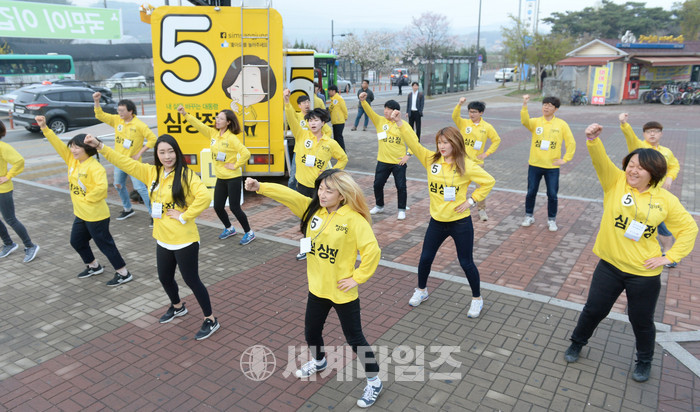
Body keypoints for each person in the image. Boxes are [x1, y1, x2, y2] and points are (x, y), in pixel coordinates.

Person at [564, 123, 697, 383]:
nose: (632, 170)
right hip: (610, 266)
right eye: (630, 164)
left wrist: (670, 257)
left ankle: (644, 361)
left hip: (643, 273)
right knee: (594, 310)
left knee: (641, 320)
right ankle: (577, 342)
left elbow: (689, 229)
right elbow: (600, 161)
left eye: (640, 167)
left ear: (654, 173)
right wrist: (593, 141)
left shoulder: (666, 200)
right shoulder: (615, 182)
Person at [244, 169, 383, 408]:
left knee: (355, 339)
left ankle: (374, 381)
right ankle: (319, 361)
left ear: (342, 195)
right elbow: (290, 196)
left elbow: (373, 251)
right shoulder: (313, 211)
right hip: (317, 289)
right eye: (320, 188)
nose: (322, 194)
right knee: (311, 332)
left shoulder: (354, 220)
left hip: (342, 292)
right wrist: (261, 187)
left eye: (329, 190)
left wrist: (357, 278)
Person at [84, 133, 220, 341]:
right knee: (165, 277)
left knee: (192, 280)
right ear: (157, 155)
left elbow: (204, 197)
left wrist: (184, 216)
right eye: (162, 152)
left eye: (171, 151)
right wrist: (100, 146)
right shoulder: (151, 172)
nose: (167, 156)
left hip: (184, 239)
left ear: (177, 152)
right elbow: (124, 162)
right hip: (162, 238)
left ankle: (210, 319)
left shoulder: (187, 175)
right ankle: (178, 307)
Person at [392, 110, 495, 317]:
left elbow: (488, 181)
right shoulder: (431, 159)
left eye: (446, 142)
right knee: (425, 258)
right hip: (437, 221)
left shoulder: (466, 164)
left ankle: (477, 299)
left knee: (466, 262)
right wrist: (400, 122)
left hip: (460, 223)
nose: (442, 146)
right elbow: (413, 143)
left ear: (455, 143)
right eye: (439, 142)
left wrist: (471, 201)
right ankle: (422, 290)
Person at [36, 116, 133, 286]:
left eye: (77, 147)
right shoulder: (72, 160)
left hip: (96, 215)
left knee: (105, 245)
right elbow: (58, 144)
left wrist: (86, 198)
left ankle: (123, 273)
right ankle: (94, 266)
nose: (73, 150)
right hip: (81, 214)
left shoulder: (95, 167)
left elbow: (101, 189)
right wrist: (44, 128)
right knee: (77, 241)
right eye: (72, 146)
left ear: (86, 148)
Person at [177, 105, 255, 245]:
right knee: (218, 206)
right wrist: (185, 114)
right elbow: (199, 125)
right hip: (221, 178)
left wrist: (235, 165)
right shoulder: (213, 133)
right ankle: (229, 228)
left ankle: (249, 232)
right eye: (217, 117)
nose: (217, 120)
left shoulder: (231, 138)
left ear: (228, 122)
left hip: (233, 178)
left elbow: (246, 153)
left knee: (234, 208)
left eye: (221, 118)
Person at [284, 88, 348, 260]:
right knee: (305, 219)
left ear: (323, 123)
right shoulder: (301, 135)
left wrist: (331, 173)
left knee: (321, 218)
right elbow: (291, 117)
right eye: (310, 120)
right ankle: (306, 249)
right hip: (303, 186)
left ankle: (324, 244)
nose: (312, 123)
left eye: (316, 120)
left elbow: (343, 158)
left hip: (320, 189)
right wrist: (287, 102)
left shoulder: (330, 143)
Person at [620, 114, 681, 268]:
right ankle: (632, 250)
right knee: (635, 220)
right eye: (648, 131)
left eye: (655, 131)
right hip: (638, 193)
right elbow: (630, 138)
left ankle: (668, 252)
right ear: (644, 134)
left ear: (661, 134)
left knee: (661, 224)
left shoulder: (666, 152)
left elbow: (674, 165)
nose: (652, 134)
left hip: (657, 196)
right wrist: (624, 124)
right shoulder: (640, 148)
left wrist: (670, 178)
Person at [93, 92, 157, 223]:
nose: (119, 113)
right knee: (118, 185)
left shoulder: (139, 125)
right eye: (118, 110)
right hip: (119, 161)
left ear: (130, 111)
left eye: (122, 111)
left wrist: (139, 153)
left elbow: (153, 139)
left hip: (133, 163)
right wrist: (96, 101)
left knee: (140, 188)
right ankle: (128, 209)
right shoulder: (117, 120)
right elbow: (100, 115)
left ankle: (153, 214)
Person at [520, 95, 576, 232]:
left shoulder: (561, 124)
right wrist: (525, 105)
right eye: (544, 105)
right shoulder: (536, 122)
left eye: (550, 105)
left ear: (555, 109)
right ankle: (529, 216)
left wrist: (565, 159)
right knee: (531, 192)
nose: (546, 107)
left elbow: (571, 142)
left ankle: (552, 219)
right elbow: (524, 121)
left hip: (552, 167)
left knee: (552, 194)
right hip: (535, 164)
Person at [359, 93, 411, 220]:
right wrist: (363, 101)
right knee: (377, 184)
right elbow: (369, 112)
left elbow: (413, 140)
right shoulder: (380, 121)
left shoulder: (402, 124)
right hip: (383, 161)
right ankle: (379, 205)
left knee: (401, 186)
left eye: (389, 109)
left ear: (396, 112)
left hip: (398, 162)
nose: (386, 111)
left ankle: (401, 209)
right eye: (385, 108)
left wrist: (408, 155)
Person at [452, 98, 501, 221]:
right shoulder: (464, 123)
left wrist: (486, 154)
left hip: (477, 163)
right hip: (462, 161)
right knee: (456, 185)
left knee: (481, 187)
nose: (471, 114)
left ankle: (481, 209)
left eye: (474, 112)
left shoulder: (487, 127)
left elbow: (496, 140)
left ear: (481, 113)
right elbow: (455, 116)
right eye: (470, 111)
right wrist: (459, 104)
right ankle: (455, 207)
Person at [0, 119, 39, 262]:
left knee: (10, 219)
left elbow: (19, 161)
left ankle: (30, 246)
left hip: (3, 189)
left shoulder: (3, 147)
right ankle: (8, 244)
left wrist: (8, 176)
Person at [222, 55, 277, 137]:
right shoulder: (242, 109)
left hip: (252, 123)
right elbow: (240, 114)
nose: (244, 92)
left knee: (252, 129)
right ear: (228, 88)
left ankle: (252, 133)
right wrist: (235, 109)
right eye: (237, 86)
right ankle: (248, 134)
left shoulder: (250, 108)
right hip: (246, 123)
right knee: (246, 129)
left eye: (253, 87)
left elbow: (254, 114)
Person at [287, 95, 332, 190]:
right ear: (299, 105)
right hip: (300, 151)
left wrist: (321, 142)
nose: (307, 104)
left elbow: (328, 131)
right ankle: (292, 194)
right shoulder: (297, 116)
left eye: (308, 102)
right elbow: (290, 118)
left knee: (312, 175)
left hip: (313, 153)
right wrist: (286, 102)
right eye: (304, 103)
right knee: (293, 177)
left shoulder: (315, 117)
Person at [327, 85, 348, 151]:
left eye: (329, 91)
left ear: (334, 91)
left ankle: (343, 151)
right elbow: (331, 109)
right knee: (336, 138)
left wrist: (345, 117)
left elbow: (344, 108)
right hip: (335, 121)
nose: (328, 92)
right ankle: (338, 151)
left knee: (339, 138)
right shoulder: (333, 99)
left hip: (339, 121)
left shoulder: (339, 98)